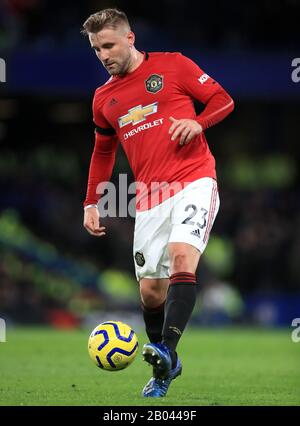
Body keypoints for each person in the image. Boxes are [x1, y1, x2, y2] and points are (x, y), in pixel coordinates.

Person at [82, 8, 234, 397]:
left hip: (195, 180)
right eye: (97, 48)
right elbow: (102, 153)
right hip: (150, 197)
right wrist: (91, 202)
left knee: (183, 257)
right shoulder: (103, 99)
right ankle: (166, 365)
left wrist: (199, 122)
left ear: (130, 39)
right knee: (151, 292)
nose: (103, 55)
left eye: (109, 45)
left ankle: (166, 348)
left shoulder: (174, 66)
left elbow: (222, 99)